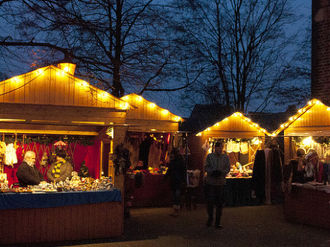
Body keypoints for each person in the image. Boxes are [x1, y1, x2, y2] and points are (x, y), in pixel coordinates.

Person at [204, 141, 230, 229]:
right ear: (215, 148)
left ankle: (217, 222)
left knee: (219, 203)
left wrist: (222, 173)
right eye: (218, 147)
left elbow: (228, 168)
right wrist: (212, 172)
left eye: (221, 148)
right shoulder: (210, 156)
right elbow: (206, 167)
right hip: (211, 182)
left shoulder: (225, 157)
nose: (220, 149)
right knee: (210, 202)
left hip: (221, 183)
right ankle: (210, 218)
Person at [165, 148, 186, 217]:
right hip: (177, 180)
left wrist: (166, 176)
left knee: (176, 196)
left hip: (177, 180)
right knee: (176, 196)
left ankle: (176, 210)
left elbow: (170, 170)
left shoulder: (176, 161)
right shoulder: (179, 161)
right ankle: (176, 210)